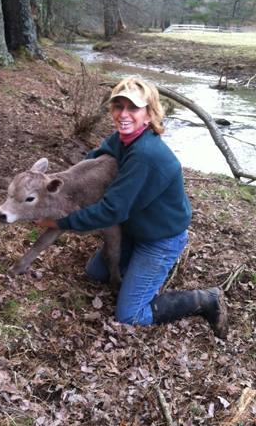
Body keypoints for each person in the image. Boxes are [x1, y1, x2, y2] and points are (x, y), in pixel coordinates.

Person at [38, 77, 228, 338]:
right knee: (95, 273)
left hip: (159, 240)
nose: (123, 114)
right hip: (134, 230)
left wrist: (59, 223)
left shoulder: (146, 155)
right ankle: (137, 273)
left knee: (130, 314)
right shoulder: (122, 139)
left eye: (133, 108)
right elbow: (96, 156)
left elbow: (110, 211)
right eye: (118, 106)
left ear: (149, 115)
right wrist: (70, 182)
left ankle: (205, 299)